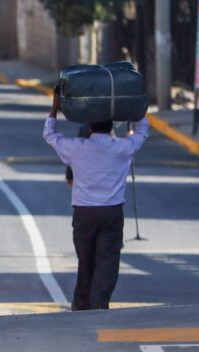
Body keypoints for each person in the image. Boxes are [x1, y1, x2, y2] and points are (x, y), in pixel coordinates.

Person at [44, 90, 149, 311]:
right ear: (111, 126)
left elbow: (50, 134)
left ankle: (81, 306)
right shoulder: (122, 148)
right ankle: (99, 306)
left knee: (86, 262)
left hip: (84, 214)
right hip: (111, 214)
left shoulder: (77, 148)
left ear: (90, 125)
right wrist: (135, 107)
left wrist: (55, 108)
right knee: (107, 262)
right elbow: (143, 131)